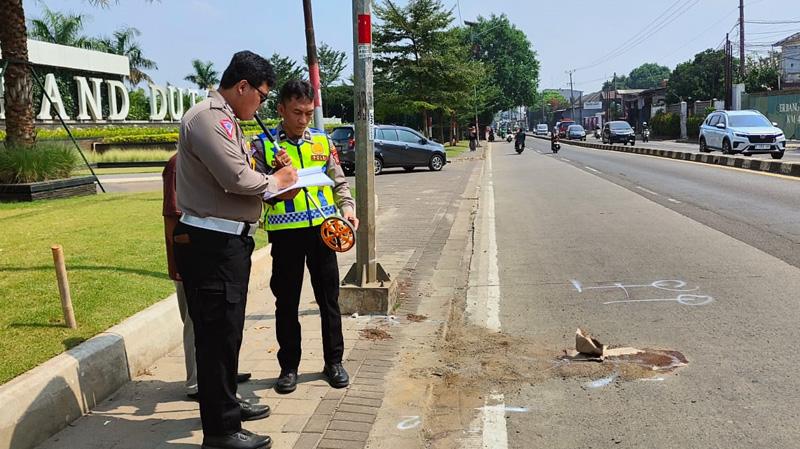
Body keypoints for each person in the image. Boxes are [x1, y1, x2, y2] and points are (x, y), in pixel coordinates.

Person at [173, 50, 298, 449]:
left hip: (228, 241)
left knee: (227, 334)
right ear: (241, 86)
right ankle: (222, 431)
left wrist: (270, 176)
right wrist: (276, 180)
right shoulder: (208, 119)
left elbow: (243, 175)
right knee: (215, 338)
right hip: (212, 245)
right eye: (261, 96)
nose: (261, 104)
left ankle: (227, 403)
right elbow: (235, 177)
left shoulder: (226, 120)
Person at [251, 79, 358, 395]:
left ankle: (334, 362)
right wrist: (274, 176)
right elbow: (257, 191)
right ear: (281, 109)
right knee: (286, 302)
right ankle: (288, 367)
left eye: (308, 113)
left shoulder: (323, 144)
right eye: (296, 112)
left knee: (329, 300)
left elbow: (339, 184)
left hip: (324, 233)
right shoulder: (263, 146)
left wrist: (348, 209)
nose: (302, 120)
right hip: (286, 236)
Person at [162, 154, 254, 402]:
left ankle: (221, 375)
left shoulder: (210, 160)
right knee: (197, 321)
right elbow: (172, 216)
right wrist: (176, 263)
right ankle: (197, 383)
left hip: (215, 252)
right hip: (192, 253)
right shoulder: (178, 164)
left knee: (220, 324)